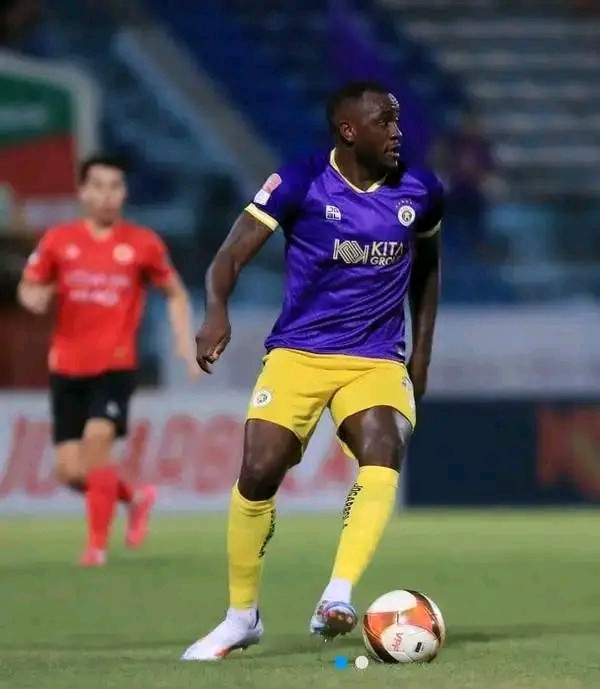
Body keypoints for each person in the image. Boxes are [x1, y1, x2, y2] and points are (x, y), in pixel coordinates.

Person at [182, 80, 442, 661]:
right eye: (384, 121)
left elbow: (428, 273)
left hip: (375, 357)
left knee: (383, 446)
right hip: (299, 352)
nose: (397, 132)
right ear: (349, 130)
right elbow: (230, 254)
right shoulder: (300, 181)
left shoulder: (421, 190)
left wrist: (421, 354)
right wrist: (216, 310)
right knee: (259, 469)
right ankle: (241, 617)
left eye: (398, 120)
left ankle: (338, 593)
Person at [17, 154, 198, 567]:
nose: (106, 195)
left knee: (98, 443)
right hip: (66, 366)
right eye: (98, 186)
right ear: (83, 191)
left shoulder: (142, 243)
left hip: (115, 365)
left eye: (115, 186)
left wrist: (184, 344)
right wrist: (33, 298)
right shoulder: (58, 240)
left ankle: (95, 548)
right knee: (70, 471)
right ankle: (134, 498)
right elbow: (29, 285)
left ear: (124, 192)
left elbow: (175, 293)